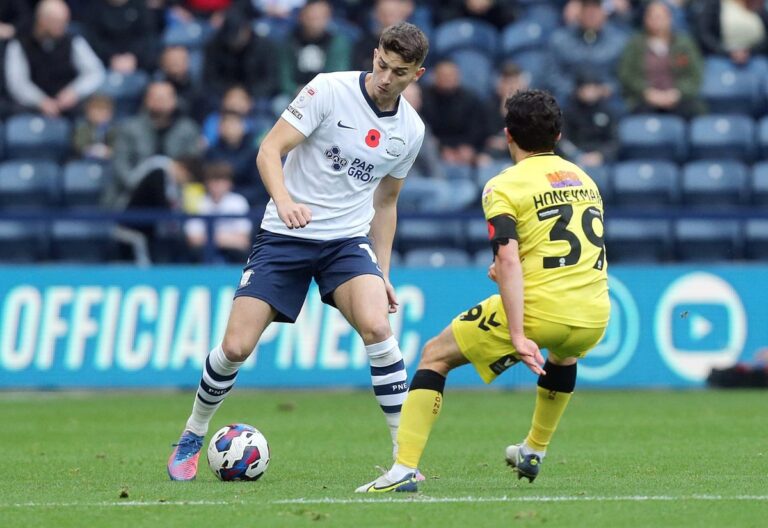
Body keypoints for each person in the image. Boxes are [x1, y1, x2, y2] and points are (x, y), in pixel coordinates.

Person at [167, 21, 429, 481]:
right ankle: (194, 431)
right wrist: (285, 202)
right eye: (383, 65)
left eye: (400, 72)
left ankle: (403, 461)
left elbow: (386, 202)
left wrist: (383, 271)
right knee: (235, 347)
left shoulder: (410, 130)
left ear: (417, 75)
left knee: (378, 328)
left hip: (346, 242)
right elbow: (269, 150)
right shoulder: (328, 89)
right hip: (285, 236)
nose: (387, 78)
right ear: (373, 55)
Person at [356, 90, 610, 493]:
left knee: (434, 357)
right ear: (558, 136)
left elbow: (508, 259)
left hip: (540, 310)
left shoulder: (503, 186)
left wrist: (517, 334)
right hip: (594, 313)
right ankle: (534, 449)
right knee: (564, 354)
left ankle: (403, 468)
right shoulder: (585, 179)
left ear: (508, 135)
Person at [105, 81, 202, 208]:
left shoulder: (188, 129)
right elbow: (121, 165)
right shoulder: (129, 128)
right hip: (135, 196)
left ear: (174, 100)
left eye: (164, 97)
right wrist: (139, 185)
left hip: (177, 196)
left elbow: (192, 166)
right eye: (155, 97)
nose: (160, 101)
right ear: (146, 100)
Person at [4, 0, 105, 117]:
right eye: (58, 22)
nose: (64, 26)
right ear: (42, 20)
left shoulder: (73, 40)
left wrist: (74, 92)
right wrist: (41, 101)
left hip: (69, 105)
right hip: (31, 107)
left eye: (65, 21)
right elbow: (17, 83)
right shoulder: (19, 43)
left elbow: (95, 71)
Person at [618, 1, 704, 118]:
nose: (656, 21)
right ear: (645, 19)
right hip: (644, 99)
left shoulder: (684, 44)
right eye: (652, 17)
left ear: (670, 19)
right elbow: (627, 75)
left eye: (660, 17)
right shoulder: (635, 44)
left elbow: (694, 75)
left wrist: (677, 93)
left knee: (693, 111)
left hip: (679, 98)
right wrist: (647, 92)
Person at [185, 162, 252, 263]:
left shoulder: (238, 202)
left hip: (232, 252)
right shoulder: (199, 202)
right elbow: (193, 240)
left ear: (229, 183)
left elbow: (243, 241)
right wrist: (226, 238)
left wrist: (211, 238)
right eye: (213, 181)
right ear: (206, 183)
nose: (217, 185)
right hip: (204, 252)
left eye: (221, 181)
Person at [691, 0, 768, 65]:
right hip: (722, 60)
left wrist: (749, 51)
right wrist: (729, 53)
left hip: (757, 58)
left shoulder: (756, 4)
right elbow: (705, 34)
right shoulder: (715, 4)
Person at [73, 93, 117, 160]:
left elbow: (118, 146)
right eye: (97, 109)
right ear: (88, 112)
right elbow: (79, 145)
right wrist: (93, 150)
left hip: (109, 162)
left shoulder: (114, 129)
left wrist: (108, 151)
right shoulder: (82, 127)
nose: (102, 114)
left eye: (105, 110)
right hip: (85, 161)